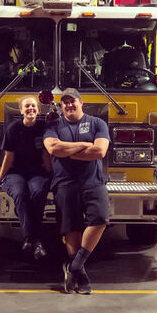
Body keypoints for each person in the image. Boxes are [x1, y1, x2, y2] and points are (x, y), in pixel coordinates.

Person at [42, 88, 110, 295]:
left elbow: (99, 151)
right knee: (71, 227)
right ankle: (80, 274)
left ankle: (74, 265)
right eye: (65, 103)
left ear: (82, 103)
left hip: (94, 182)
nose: (69, 105)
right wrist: (83, 145)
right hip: (65, 182)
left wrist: (68, 151)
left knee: (100, 219)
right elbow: (54, 149)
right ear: (61, 106)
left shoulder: (98, 123)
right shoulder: (53, 125)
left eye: (73, 101)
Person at [0, 95, 51, 261]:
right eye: (27, 106)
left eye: (33, 106)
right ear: (21, 110)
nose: (30, 109)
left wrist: (53, 175)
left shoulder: (44, 127)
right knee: (20, 194)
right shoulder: (13, 128)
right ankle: (34, 239)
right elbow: (8, 157)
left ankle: (30, 239)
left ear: (39, 109)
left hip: (37, 172)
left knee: (38, 193)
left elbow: (46, 154)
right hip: (16, 173)